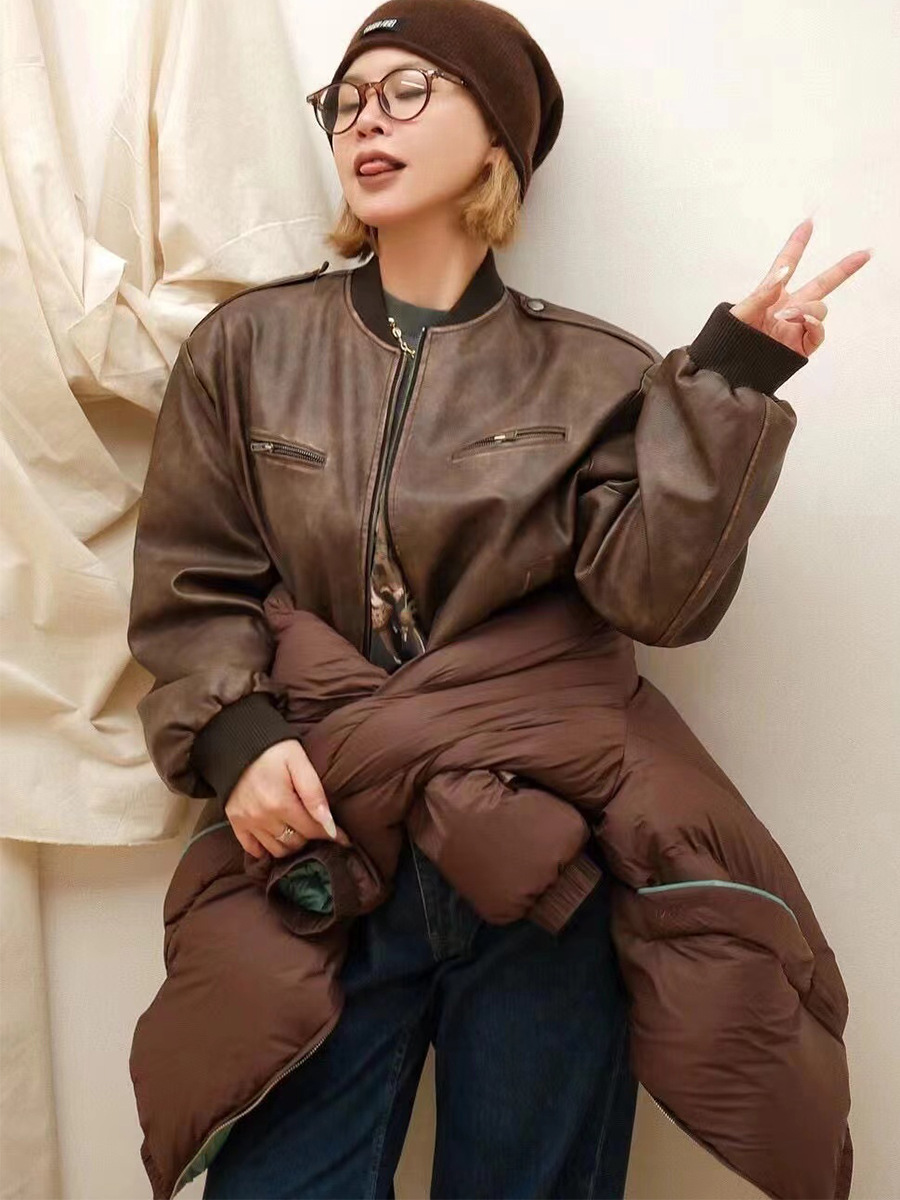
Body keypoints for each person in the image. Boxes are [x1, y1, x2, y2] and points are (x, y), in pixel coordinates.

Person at [127, 1, 867, 1196]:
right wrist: (235, 739)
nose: (365, 120)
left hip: (539, 860)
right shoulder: (246, 346)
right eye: (345, 100)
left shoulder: (597, 371)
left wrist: (732, 383)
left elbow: (658, 602)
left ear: (498, 141)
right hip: (324, 846)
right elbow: (190, 578)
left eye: (408, 90)